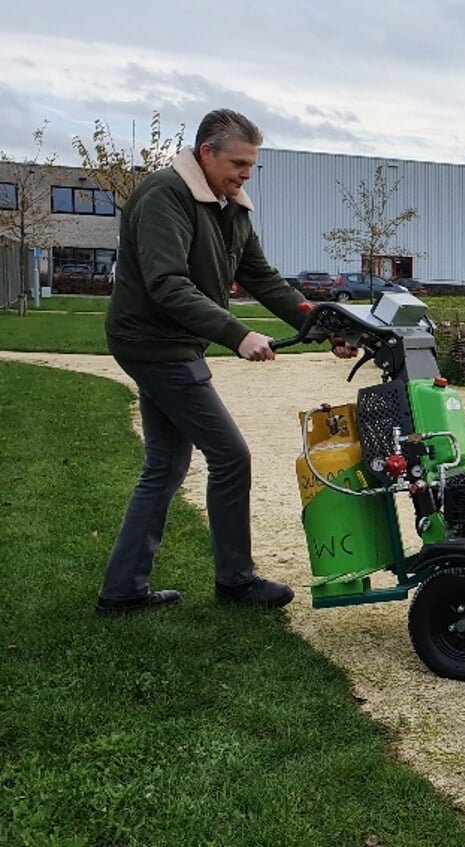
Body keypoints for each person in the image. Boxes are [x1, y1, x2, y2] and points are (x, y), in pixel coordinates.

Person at [98, 108, 353, 615]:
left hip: (173, 343)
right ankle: (235, 582)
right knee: (231, 456)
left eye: (251, 166)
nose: (245, 174)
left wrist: (327, 329)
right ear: (206, 153)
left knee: (166, 463)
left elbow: (264, 279)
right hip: (153, 345)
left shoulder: (231, 206)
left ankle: (123, 590)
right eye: (238, 163)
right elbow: (167, 284)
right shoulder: (163, 196)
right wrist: (237, 334)